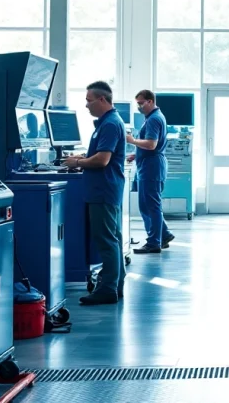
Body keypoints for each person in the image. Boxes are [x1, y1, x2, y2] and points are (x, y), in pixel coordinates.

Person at [63, 81, 127, 305]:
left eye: (89, 101)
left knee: (106, 240)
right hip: (106, 189)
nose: (86, 105)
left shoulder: (109, 124)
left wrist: (76, 162)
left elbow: (102, 160)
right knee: (113, 238)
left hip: (103, 190)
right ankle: (115, 284)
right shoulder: (107, 123)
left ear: (102, 100)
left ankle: (108, 288)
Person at [126, 89, 174, 254]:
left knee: (150, 205)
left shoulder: (154, 119)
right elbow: (149, 144)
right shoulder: (153, 118)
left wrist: (132, 140)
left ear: (150, 101)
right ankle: (164, 235)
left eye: (141, 103)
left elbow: (152, 144)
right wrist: (137, 152)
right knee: (148, 204)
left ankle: (154, 242)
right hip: (149, 163)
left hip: (152, 166)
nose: (139, 107)